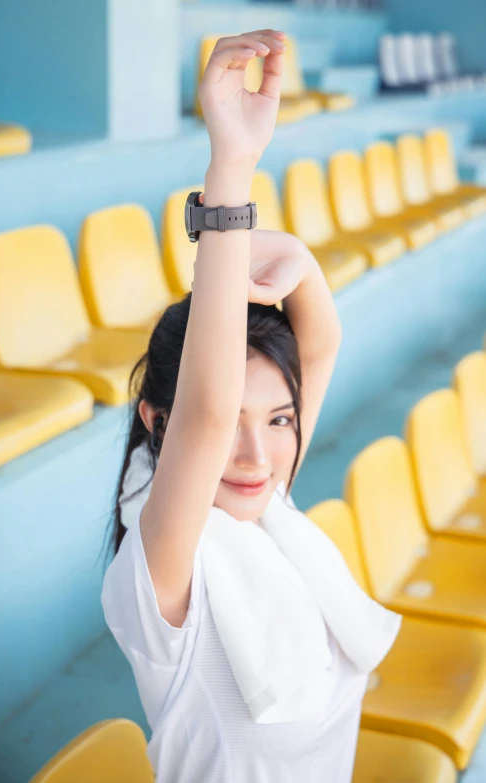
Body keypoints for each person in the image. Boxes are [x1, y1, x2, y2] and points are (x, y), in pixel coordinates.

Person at [101, 30, 395, 783]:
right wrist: (231, 165)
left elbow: (318, 346)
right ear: (156, 425)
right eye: (228, 425)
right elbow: (205, 410)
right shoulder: (167, 569)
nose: (257, 456)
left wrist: (294, 258)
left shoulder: (264, 512)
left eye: (279, 420)